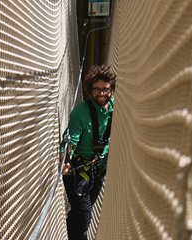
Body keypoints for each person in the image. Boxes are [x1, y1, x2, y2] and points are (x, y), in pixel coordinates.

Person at [61, 64, 116, 240]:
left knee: (81, 213)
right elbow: (71, 138)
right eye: (97, 90)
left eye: (106, 90)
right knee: (84, 213)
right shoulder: (80, 113)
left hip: (98, 169)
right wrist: (66, 159)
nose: (101, 94)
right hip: (78, 170)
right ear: (90, 90)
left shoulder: (116, 109)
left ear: (112, 89)